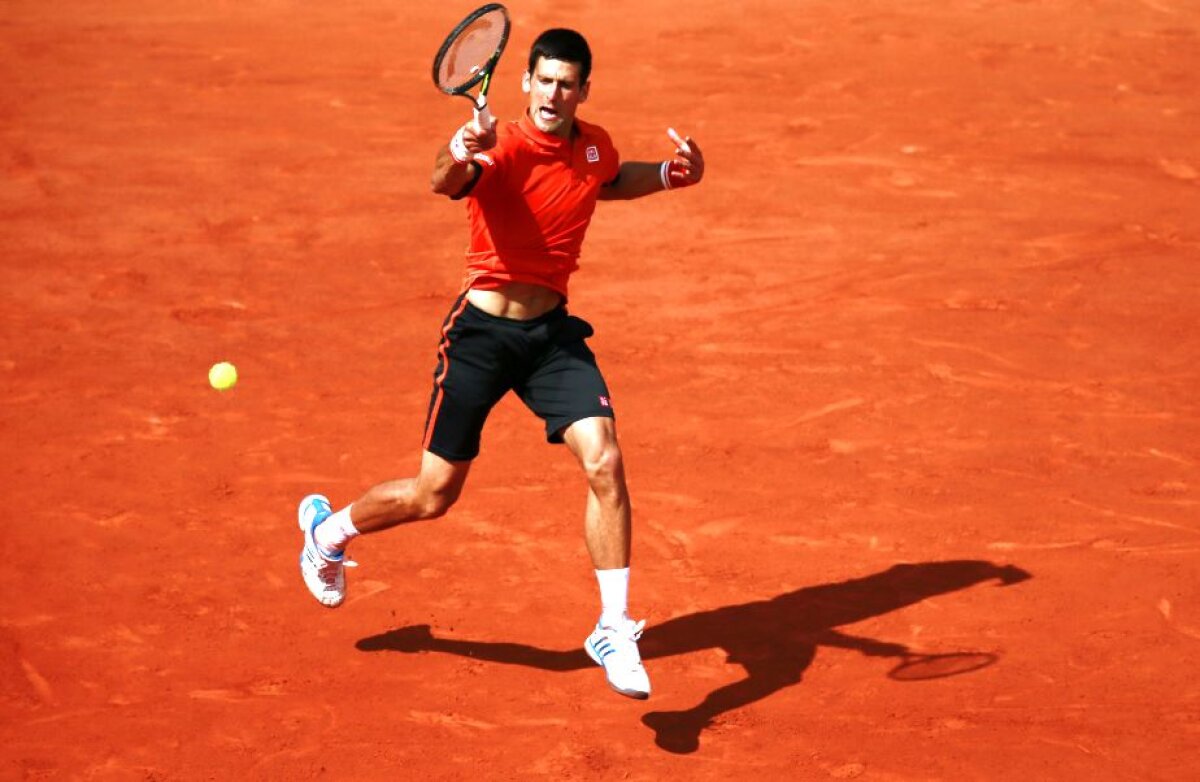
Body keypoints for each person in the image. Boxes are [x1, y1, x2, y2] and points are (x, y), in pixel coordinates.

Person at [297, 28, 704, 701]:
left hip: (550, 339)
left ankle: (611, 625)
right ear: (525, 83)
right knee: (434, 496)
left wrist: (667, 174)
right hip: (482, 335)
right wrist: (459, 149)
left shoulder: (594, 144)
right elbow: (444, 181)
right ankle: (327, 533)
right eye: (543, 81)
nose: (553, 93)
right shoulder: (500, 146)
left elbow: (607, 179)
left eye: (566, 83)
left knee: (604, 459)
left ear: (583, 91)